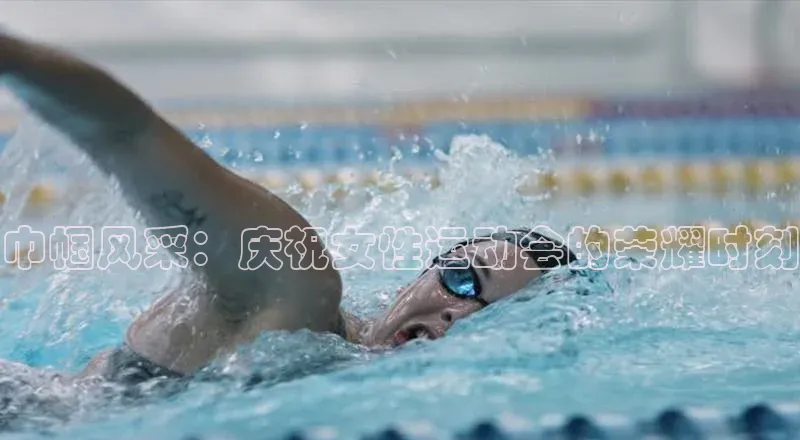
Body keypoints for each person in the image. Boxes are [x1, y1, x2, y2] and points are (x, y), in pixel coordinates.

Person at [0, 31, 576, 386]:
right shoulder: (294, 288)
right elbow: (127, 135)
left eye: (494, 316)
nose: (458, 316)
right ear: (420, 275)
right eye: (462, 281)